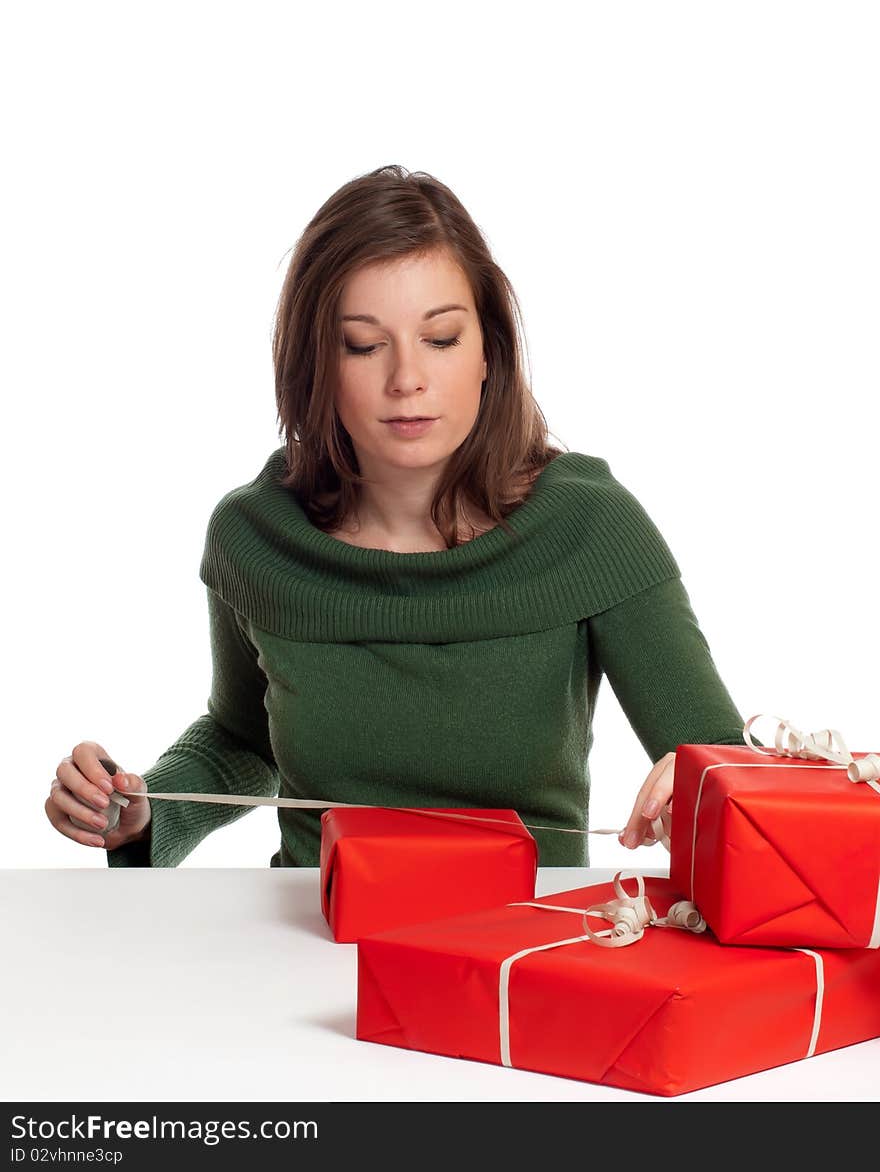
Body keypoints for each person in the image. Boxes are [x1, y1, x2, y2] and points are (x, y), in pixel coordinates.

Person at [45, 164, 745, 868]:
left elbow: (727, 777)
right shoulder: (256, 538)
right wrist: (143, 810)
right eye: (364, 344)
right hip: (306, 937)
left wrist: (696, 789)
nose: (407, 378)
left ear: (488, 354)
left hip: (520, 950)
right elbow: (242, 738)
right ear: (315, 363)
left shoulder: (590, 529)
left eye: (440, 339)